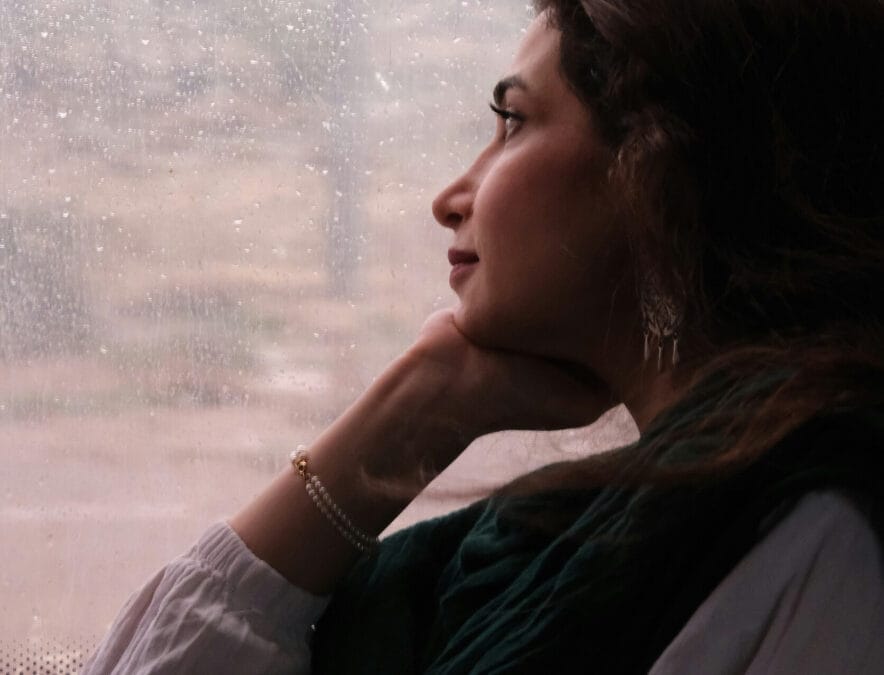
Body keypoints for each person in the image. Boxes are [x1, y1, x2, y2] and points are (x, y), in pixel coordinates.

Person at [84, 0, 884, 672]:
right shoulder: (603, 541)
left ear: (655, 170)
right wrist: (422, 400)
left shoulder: (817, 538)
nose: (450, 197)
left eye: (513, 122)